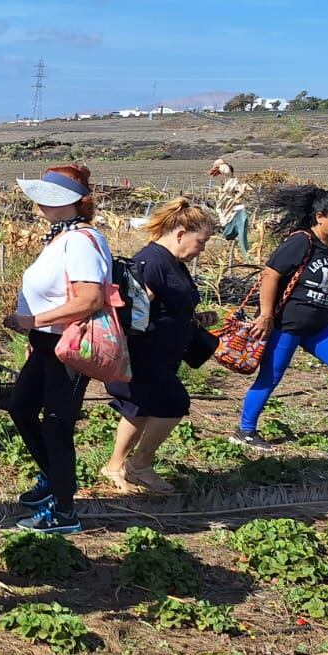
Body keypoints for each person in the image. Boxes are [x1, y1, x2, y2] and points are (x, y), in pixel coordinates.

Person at [233, 186, 328, 451]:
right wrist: (265, 316)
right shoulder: (301, 242)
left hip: (320, 328)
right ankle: (244, 431)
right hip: (287, 326)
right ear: (320, 217)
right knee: (270, 378)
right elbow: (270, 274)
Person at [2, 165, 111, 534]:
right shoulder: (61, 237)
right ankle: (54, 480)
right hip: (47, 343)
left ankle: (65, 512)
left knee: (57, 425)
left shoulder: (80, 240)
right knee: (22, 408)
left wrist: (34, 319)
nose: (37, 203)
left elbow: (90, 299)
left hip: (68, 345)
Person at [101, 199, 220, 494]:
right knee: (172, 404)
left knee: (138, 409)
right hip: (145, 355)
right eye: (200, 241)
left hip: (162, 355)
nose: (201, 249)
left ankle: (114, 466)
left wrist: (193, 319)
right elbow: (134, 312)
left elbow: (168, 306)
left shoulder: (174, 264)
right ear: (180, 233)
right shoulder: (151, 263)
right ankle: (140, 465)